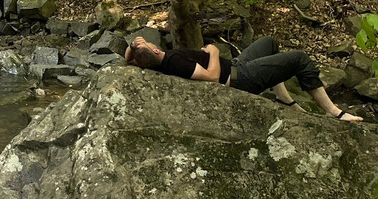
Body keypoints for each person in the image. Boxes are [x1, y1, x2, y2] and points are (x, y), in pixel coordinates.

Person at [125, 34, 363, 122]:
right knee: (299, 59)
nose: (141, 39)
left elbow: (132, 57)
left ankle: (282, 97)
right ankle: (333, 111)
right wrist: (214, 52)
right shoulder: (172, 62)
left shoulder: (159, 59)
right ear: (155, 51)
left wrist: (135, 49)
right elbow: (213, 77)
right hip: (240, 78)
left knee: (268, 42)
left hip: (238, 65)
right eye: (145, 42)